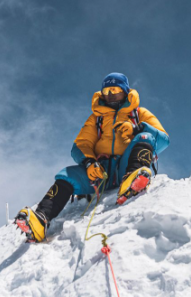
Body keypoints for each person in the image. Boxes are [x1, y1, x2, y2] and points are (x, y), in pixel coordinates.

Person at [15, 72, 170, 242]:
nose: (111, 95)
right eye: (107, 92)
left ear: (125, 92)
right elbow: (81, 145)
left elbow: (162, 140)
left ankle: (133, 179)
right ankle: (40, 219)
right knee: (66, 175)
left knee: (145, 137)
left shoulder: (139, 113)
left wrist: (136, 129)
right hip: (99, 173)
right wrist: (89, 162)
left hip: (127, 166)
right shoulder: (97, 118)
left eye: (115, 90)